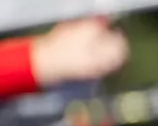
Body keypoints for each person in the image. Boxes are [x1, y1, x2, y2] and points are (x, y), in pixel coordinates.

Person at [0, 18, 128, 98]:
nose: (106, 63)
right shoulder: (89, 28)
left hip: (28, 77)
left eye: (112, 64)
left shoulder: (89, 28)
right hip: (23, 59)